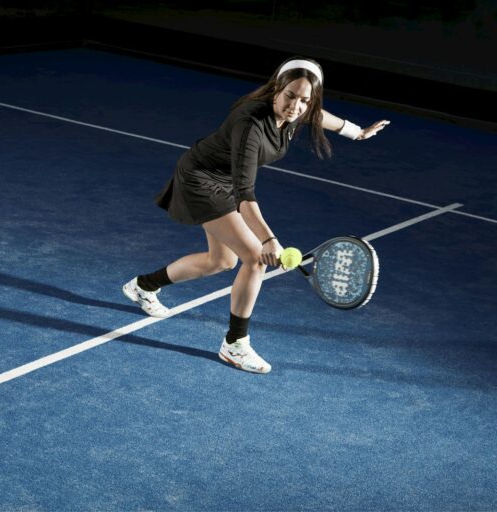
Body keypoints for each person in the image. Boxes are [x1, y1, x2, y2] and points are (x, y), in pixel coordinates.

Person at [122, 57, 390, 374]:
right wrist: (268, 240)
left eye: (305, 100)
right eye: (290, 96)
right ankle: (234, 344)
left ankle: (143, 286)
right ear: (277, 88)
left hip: (224, 183)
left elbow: (316, 115)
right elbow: (245, 194)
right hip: (201, 180)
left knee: (221, 261)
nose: (296, 106)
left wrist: (356, 132)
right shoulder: (250, 124)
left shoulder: (297, 111)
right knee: (254, 257)